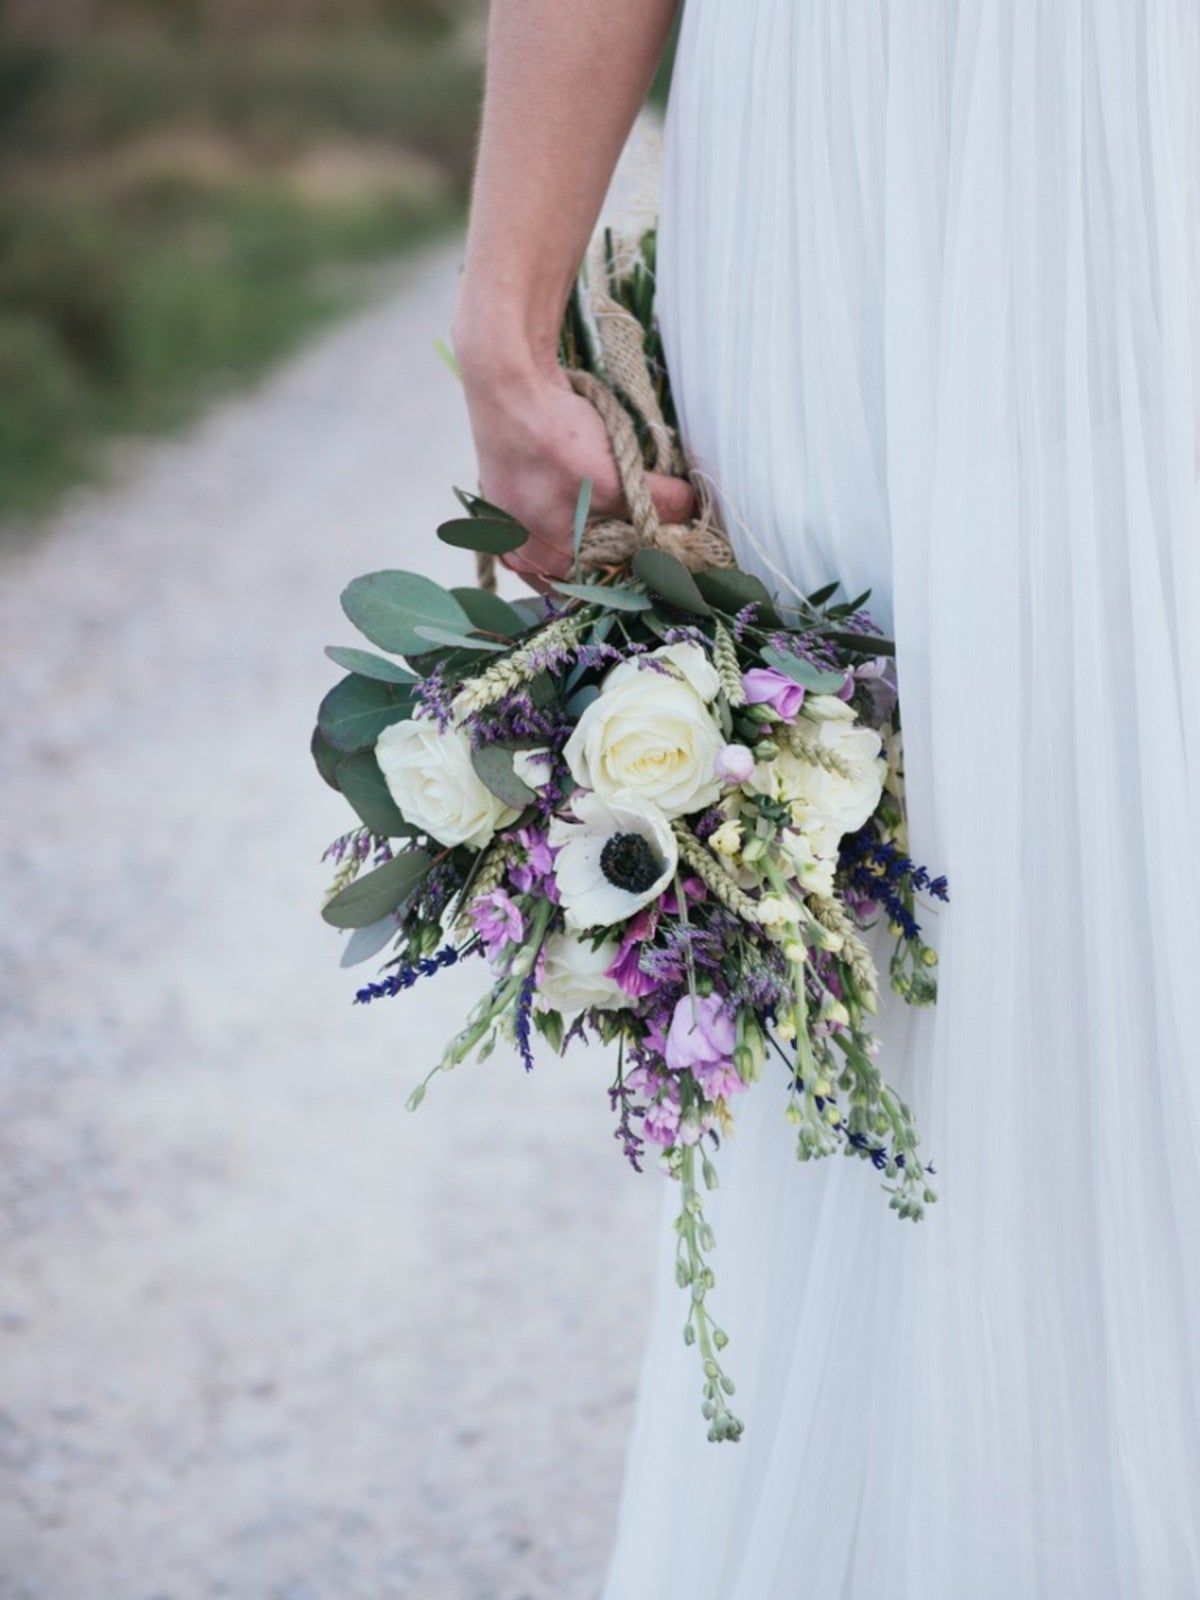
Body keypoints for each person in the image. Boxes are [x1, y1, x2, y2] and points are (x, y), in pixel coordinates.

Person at [452, 4, 1200, 1595]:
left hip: (919, 124)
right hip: (884, 150)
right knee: (927, 852)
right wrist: (503, 325)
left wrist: (509, 324)